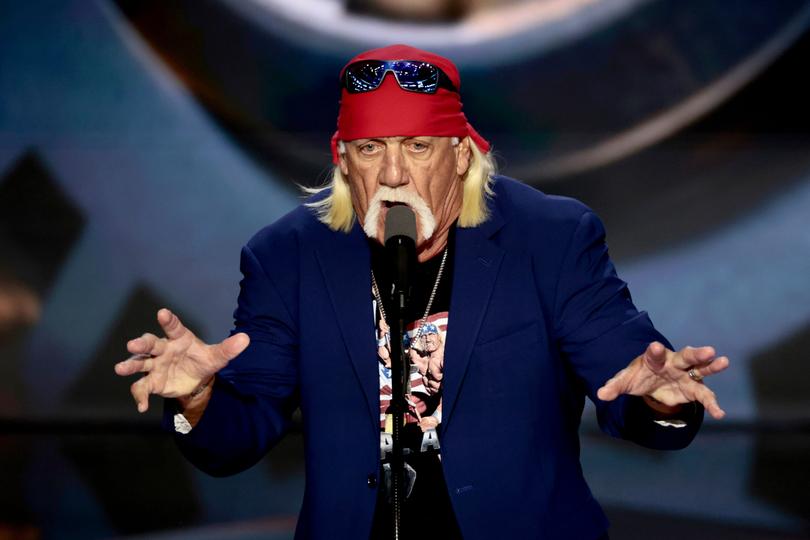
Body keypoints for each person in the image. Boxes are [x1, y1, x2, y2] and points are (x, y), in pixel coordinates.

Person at [114, 44, 729, 539]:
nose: (392, 173)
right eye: (370, 149)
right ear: (344, 162)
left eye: (417, 147)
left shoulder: (550, 238)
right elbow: (236, 436)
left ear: (460, 156)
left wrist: (662, 400)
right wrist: (198, 398)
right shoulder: (290, 255)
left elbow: (628, 375)